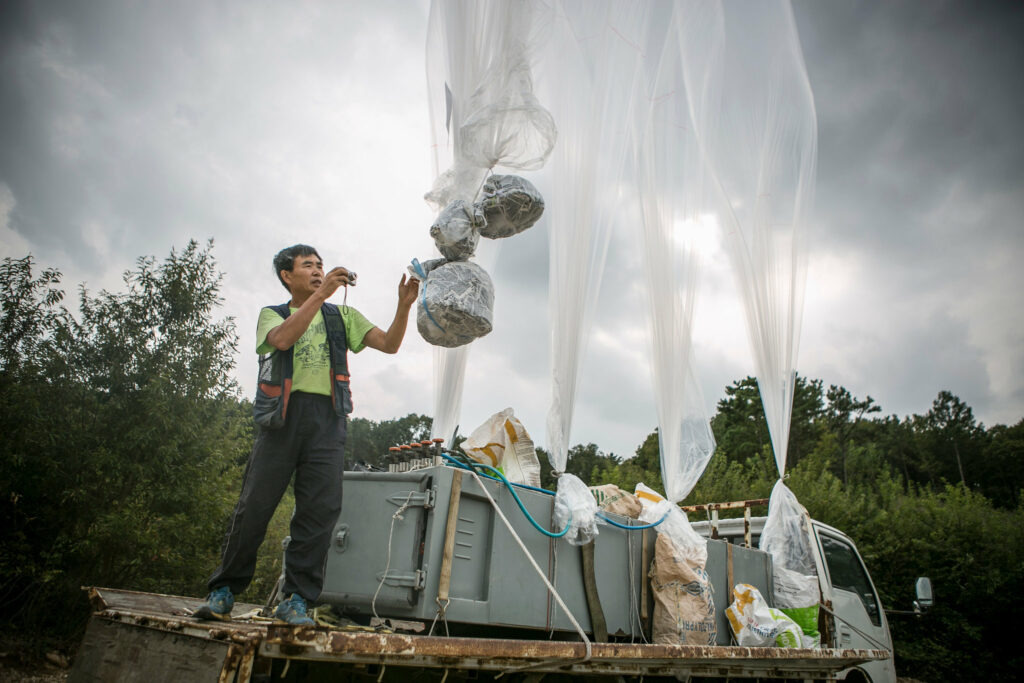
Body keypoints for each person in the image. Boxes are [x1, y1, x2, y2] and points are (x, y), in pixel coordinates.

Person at [194, 244, 418, 625]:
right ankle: (224, 591)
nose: (317, 271)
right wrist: (321, 294)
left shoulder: (341, 315)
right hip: (282, 419)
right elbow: (282, 340)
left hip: (328, 421)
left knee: (319, 514)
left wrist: (404, 305)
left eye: (321, 266)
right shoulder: (273, 314)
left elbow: (390, 344)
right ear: (287, 276)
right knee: (254, 507)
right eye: (308, 266)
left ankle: (296, 599)